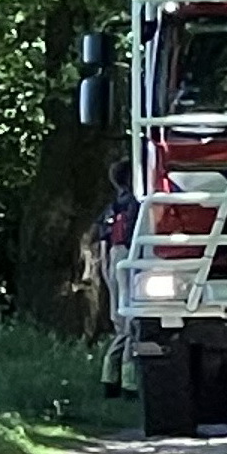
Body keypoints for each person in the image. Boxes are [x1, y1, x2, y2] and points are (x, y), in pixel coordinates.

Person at [96, 160, 139, 399]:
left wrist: (105, 273)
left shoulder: (111, 208)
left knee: (121, 323)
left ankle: (109, 377)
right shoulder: (136, 203)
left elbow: (103, 246)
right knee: (133, 323)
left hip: (112, 259)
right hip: (130, 257)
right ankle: (129, 383)